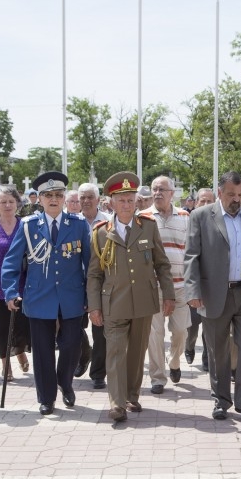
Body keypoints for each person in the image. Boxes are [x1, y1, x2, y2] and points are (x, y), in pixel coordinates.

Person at [1, 171, 91, 415]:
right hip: (39, 297)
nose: (53, 199)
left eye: (58, 195)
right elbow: (11, 262)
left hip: (72, 297)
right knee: (42, 351)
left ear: (64, 199)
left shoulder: (79, 225)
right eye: (48, 195)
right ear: (39, 199)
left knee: (72, 345)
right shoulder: (29, 226)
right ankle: (46, 397)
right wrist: (10, 292)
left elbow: (90, 264)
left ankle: (65, 381)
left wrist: (91, 297)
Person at [88, 172, 175, 422]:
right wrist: (94, 306)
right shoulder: (100, 232)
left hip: (143, 300)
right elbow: (94, 274)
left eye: (130, 200)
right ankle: (116, 403)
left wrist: (168, 294)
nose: (126, 205)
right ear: (111, 203)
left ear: (137, 202)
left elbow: (162, 263)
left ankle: (131, 395)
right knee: (115, 352)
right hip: (113, 303)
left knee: (136, 354)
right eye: (121, 200)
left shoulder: (148, 226)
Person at [185, 172, 241, 423]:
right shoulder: (200, 217)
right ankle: (220, 400)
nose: (236, 200)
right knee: (218, 350)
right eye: (231, 195)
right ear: (220, 193)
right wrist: (193, 291)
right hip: (214, 293)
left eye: (240, 195)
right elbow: (191, 257)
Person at [142, 176, 191, 395]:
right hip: (152, 287)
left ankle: (175, 360)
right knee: (155, 333)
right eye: (154, 189)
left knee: (181, 331)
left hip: (180, 286)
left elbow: (191, 251)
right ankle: (157, 377)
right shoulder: (142, 218)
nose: (158, 193)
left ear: (172, 193)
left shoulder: (185, 217)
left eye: (162, 189)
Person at [0, 188, 32, 382]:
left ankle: (20, 353)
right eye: (3, 202)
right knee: (1, 327)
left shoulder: (25, 226)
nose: (8, 205)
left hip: (23, 284)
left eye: (11, 201)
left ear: (18, 203)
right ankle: (5, 364)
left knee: (21, 324)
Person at [76, 182, 110, 389]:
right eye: (82, 198)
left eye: (90, 197)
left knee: (100, 329)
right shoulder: (71, 222)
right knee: (72, 328)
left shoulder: (109, 222)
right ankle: (84, 352)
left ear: (98, 199)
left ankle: (98, 373)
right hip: (75, 283)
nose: (86, 201)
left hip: (101, 282)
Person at [184, 187, 216, 369]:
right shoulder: (189, 221)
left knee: (209, 324)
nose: (205, 204)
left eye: (209, 201)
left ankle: (207, 358)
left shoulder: (220, 222)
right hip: (194, 282)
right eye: (202, 201)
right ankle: (189, 347)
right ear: (195, 203)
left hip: (212, 284)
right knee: (193, 323)